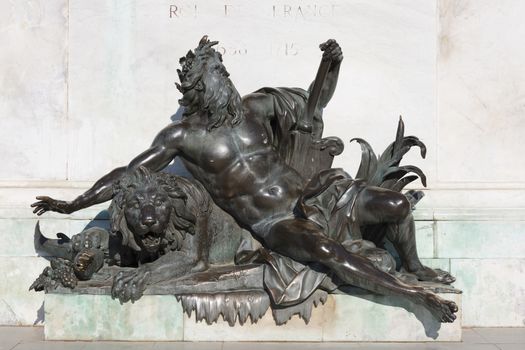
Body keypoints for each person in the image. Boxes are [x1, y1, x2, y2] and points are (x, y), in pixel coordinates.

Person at [32, 36, 457, 322]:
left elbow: (314, 105)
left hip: (318, 196)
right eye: (216, 76)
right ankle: (413, 296)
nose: (226, 82)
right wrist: (74, 204)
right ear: (199, 88)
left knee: (397, 206)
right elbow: (129, 173)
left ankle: (416, 267)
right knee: (325, 250)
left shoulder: (256, 109)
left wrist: (333, 63)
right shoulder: (183, 137)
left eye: (224, 73)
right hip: (277, 223)